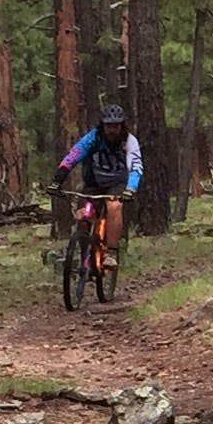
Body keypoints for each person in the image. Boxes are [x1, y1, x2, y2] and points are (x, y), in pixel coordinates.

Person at [56, 102, 143, 297]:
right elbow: (74, 155)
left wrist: (131, 188)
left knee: (114, 206)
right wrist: (58, 178)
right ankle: (84, 255)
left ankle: (110, 253)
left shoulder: (129, 141)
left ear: (122, 125)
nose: (112, 129)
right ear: (102, 125)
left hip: (117, 184)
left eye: (116, 125)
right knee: (83, 215)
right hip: (93, 184)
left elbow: (136, 166)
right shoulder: (93, 138)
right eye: (108, 125)